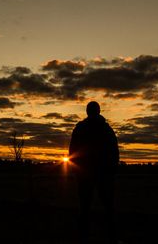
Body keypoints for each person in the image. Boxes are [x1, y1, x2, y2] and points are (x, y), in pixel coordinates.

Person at [69, 101, 119, 244]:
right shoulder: (106, 129)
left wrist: (76, 170)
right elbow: (114, 151)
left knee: (85, 206)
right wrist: (112, 169)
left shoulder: (80, 128)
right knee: (108, 206)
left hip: (86, 174)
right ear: (98, 111)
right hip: (103, 173)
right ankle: (111, 237)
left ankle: (84, 236)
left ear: (87, 111)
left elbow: (72, 151)